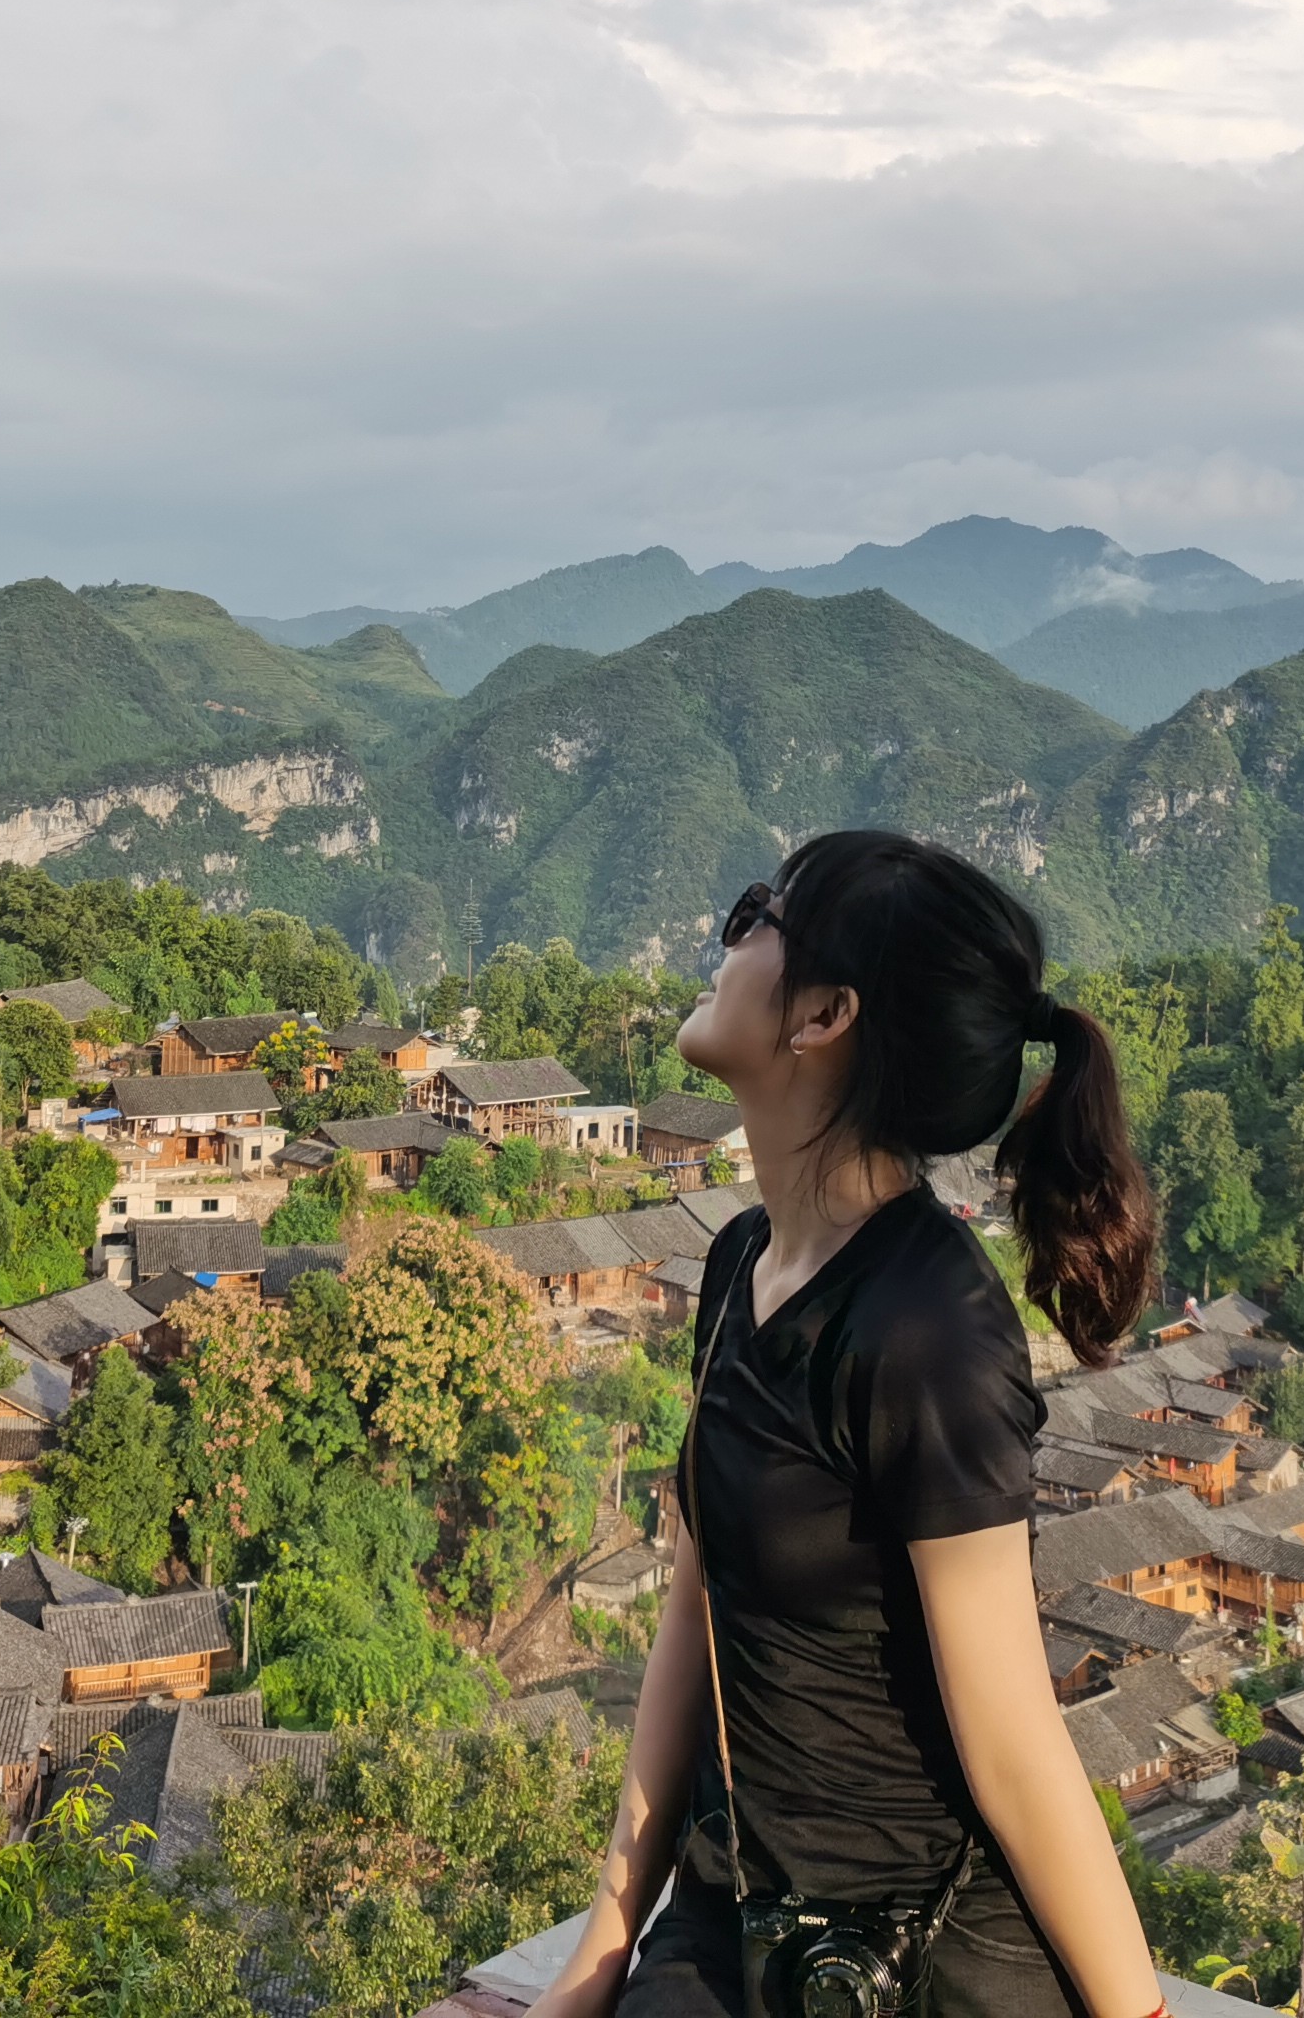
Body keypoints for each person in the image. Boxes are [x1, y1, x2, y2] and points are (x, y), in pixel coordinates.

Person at [527, 830, 1168, 2018]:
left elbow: (1014, 1745)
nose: (725, 941)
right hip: (735, 1920)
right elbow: (696, 1611)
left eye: (756, 916)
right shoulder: (739, 1264)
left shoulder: (926, 1326)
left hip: (912, 1957)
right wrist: (602, 1949)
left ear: (824, 1015)